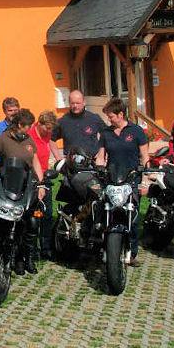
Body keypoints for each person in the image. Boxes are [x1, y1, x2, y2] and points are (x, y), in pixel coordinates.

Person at [0, 109, 44, 274]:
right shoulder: (3, 139)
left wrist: (41, 184)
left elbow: (35, 161)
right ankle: (10, 255)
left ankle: (26, 258)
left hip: (26, 186)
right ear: (20, 125)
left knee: (31, 222)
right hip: (8, 186)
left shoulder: (29, 140)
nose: (29, 130)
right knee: (7, 221)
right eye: (27, 126)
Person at [95, 97, 149, 267]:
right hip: (111, 178)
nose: (108, 119)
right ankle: (106, 248)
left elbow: (145, 157)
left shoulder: (136, 131)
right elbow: (101, 157)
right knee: (105, 211)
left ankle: (131, 252)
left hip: (131, 179)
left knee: (131, 215)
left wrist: (145, 181)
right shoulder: (106, 133)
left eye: (110, 116)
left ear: (120, 114)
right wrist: (98, 171)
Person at [28, 110, 58, 260]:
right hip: (31, 178)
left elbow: (51, 143)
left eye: (51, 128)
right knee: (33, 215)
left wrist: (58, 159)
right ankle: (31, 249)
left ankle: (46, 247)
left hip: (45, 176)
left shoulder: (47, 133)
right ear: (39, 124)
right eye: (47, 128)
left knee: (47, 214)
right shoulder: (29, 135)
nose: (50, 131)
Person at [52, 90, 105, 158]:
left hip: (92, 161)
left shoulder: (94, 118)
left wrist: (101, 155)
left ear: (84, 102)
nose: (75, 106)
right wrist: (58, 159)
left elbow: (107, 135)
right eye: (72, 103)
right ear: (69, 103)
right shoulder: (63, 121)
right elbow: (51, 140)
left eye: (78, 103)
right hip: (71, 163)